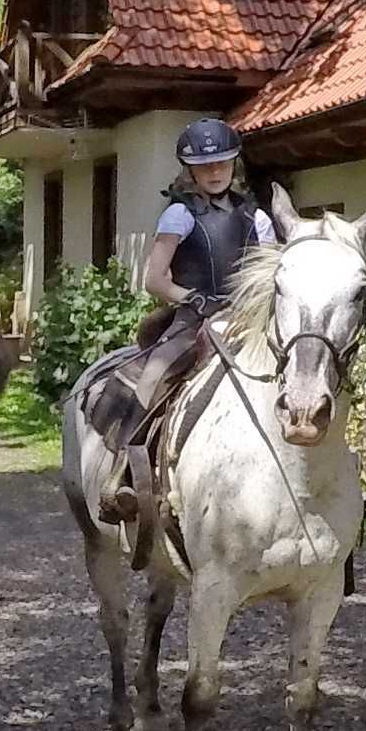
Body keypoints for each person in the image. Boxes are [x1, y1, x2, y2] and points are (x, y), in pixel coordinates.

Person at [99, 117, 276, 523]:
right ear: (190, 170)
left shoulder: (259, 219)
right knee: (153, 377)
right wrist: (191, 297)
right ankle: (122, 476)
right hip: (193, 321)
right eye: (205, 165)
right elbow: (154, 279)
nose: (215, 172)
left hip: (248, 324)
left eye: (222, 163)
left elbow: (270, 273)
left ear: (235, 165)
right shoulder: (179, 215)